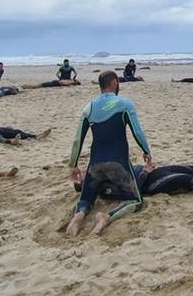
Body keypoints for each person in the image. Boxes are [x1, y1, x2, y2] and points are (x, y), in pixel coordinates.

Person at [65, 70, 154, 237]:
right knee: (136, 200)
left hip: (95, 167)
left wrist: (74, 165)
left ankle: (78, 216)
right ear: (114, 83)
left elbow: (78, 140)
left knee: (85, 200)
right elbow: (138, 131)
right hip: (118, 165)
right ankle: (107, 217)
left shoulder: (88, 108)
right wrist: (146, 150)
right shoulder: (125, 104)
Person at [73, 162, 193, 197]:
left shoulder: (106, 170)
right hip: (152, 184)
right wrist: (145, 172)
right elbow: (133, 191)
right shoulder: (105, 189)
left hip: (158, 171)